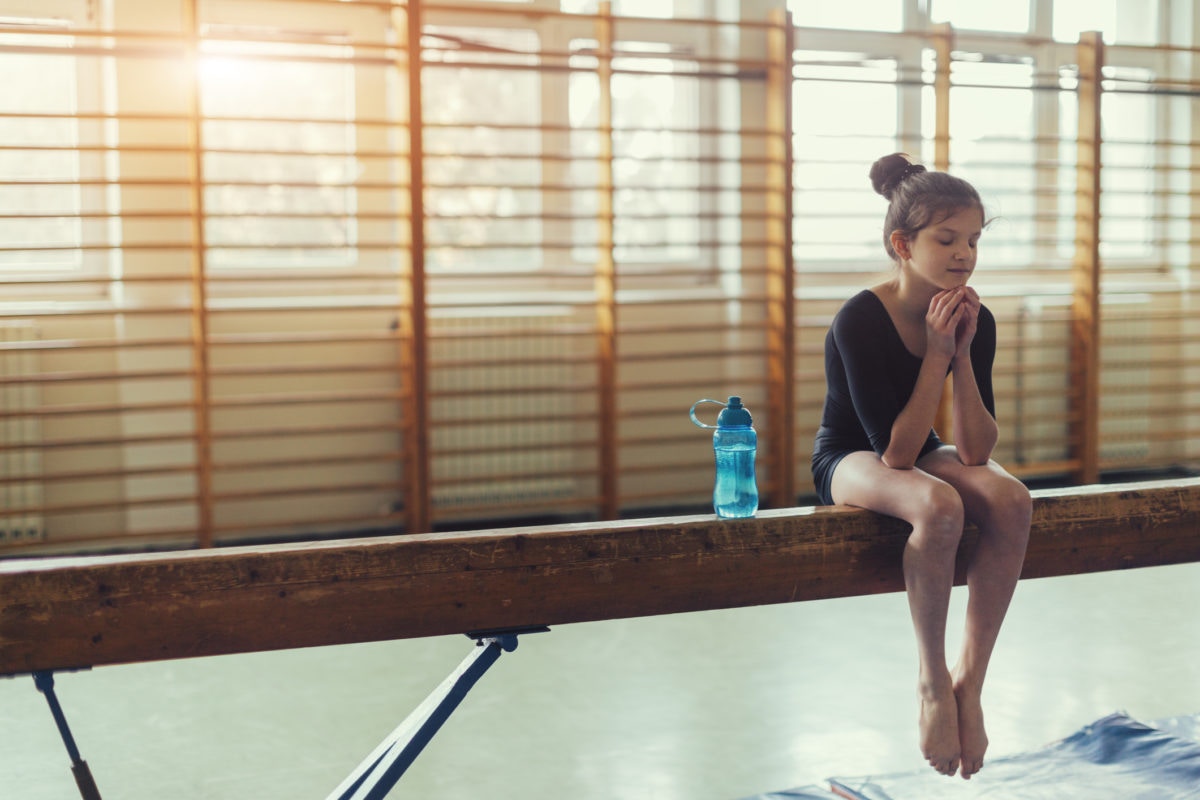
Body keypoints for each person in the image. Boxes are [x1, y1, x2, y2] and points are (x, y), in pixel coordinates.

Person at [811, 153, 1033, 780]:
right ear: (902, 245)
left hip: (912, 444)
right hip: (851, 455)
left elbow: (975, 451)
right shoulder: (861, 316)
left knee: (1011, 498)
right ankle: (933, 683)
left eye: (973, 240)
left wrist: (960, 354)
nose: (964, 253)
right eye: (947, 239)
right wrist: (935, 352)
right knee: (938, 505)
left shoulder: (973, 316)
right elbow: (897, 456)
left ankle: (971, 681)